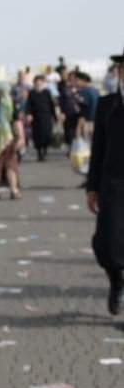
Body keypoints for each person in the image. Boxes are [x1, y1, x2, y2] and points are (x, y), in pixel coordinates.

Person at [86, 49, 124, 315]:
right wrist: (92, 187)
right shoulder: (107, 104)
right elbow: (98, 148)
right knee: (108, 245)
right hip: (113, 185)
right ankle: (116, 281)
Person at [0, 82, 26, 199]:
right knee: (11, 163)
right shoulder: (11, 102)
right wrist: (21, 137)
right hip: (9, 136)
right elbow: (17, 121)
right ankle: (14, 189)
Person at [25, 74, 58, 161]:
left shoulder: (47, 92)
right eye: (36, 82)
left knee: (47, 134)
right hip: (36, 117)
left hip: (46, 116)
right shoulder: (32, 93)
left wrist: (55, 117)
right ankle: (39, 152)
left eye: (40, 82)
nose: (38, 84)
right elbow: (28, 105)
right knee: (38, 135)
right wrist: (29, 114)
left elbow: (51, 105)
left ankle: (45, 150)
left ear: (43, 83)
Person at [75, 71, 100, 140]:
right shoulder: (96, 90)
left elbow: (84, 105)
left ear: (83, 80)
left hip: (87, 120)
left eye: (77, 80)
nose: (76, 83)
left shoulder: (84, 91)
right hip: (96, 118)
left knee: (86, 139)